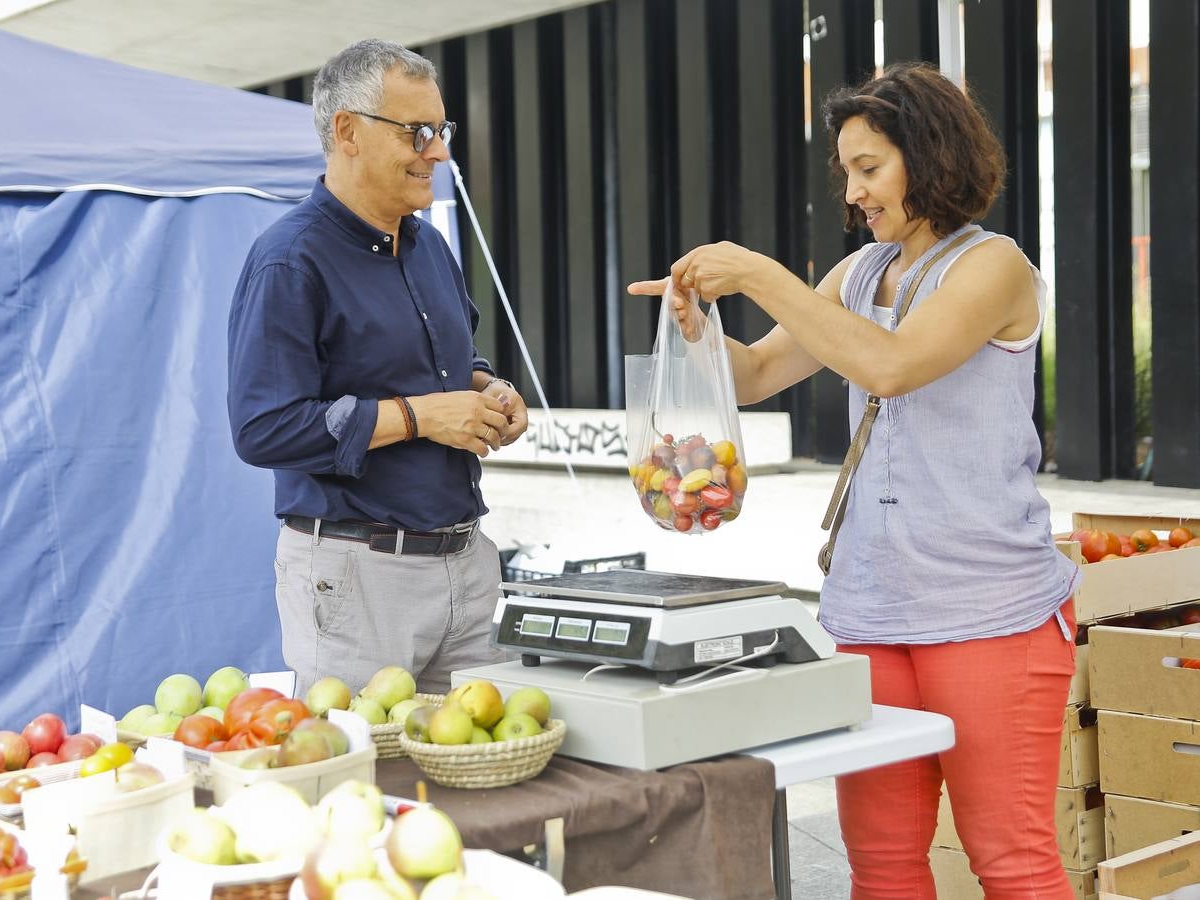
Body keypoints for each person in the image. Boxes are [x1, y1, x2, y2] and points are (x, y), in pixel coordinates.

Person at [629, 62, 1080, 899]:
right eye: (847, 172)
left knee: (1010, 860)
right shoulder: (864, 273)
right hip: (874, 605)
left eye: (869, 168)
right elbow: (761, 371)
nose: (855, 191)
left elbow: (894, 365)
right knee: (881, 864)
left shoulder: (994, 267)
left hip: (989, 608)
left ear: (930, 156)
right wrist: (697, 330)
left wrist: (761, 273)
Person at [227, 39, 525, 695]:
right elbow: (263, 430)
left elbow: (451, 363)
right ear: (347, 132)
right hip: (357, 579)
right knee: (362, 788)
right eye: (419, 133)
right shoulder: (288, 260)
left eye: (440, 131)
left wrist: (489, 389)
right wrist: (421, 418)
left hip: (468, 568)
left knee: (494, 778)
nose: (440, 153)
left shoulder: (429, 248)